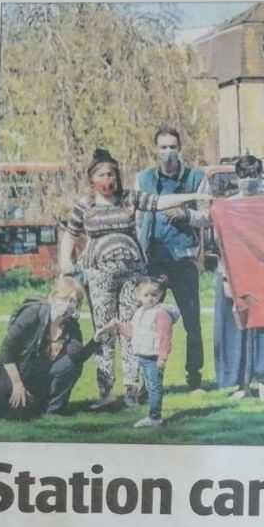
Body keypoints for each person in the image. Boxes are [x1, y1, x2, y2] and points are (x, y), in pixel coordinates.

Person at [58, 148, 208, 410]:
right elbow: (70, 234)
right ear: (92, 179)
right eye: (102, 174)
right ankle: (106, 391)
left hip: (132, 275)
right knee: (103, 331)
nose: (108, 179)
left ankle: (131, 389)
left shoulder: (128, 198)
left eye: (112, 174)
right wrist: (65, 262)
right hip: (99, 275)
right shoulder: (85, 206)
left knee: (131, 330)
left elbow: (160, 202)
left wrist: (194, 196)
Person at [136, 126, 210, 395]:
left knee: (192, 322)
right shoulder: (143, 179)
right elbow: (138, 219)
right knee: (146, 322)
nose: (168, 151)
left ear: (180, 148)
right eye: (163, 147)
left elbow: (208, 217)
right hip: (153, 262)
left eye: (173, 146)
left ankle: (195, 380)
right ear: (155, 149)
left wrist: (186, 215)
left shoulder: (196, 178)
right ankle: (148, 382)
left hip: (182, 260)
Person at [0, 277, 119, 420]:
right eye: (63, 299)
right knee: (18, 413)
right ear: (53, 297)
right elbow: (7, 349)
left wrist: (95, 340)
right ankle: (31, 402)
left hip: (40, 377)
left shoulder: (71, 325)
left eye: (73, 301)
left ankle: (53, 410)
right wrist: (17, 384)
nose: (67, 305)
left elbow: (76, 358)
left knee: (71, 365)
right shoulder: (34, 313)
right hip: (16, 373)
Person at [214, 155, 264, 400]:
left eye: (254, 174)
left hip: (263, 273)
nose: (249, 180)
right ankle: (241, 384)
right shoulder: (226, 206)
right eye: (244, 175)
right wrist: (226, 276)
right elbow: (220, 242)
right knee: (237, 328)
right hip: (233, 273)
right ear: (237, 177)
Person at [115, 277, 181, 429]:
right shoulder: (139, 312)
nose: (150, 298)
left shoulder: (161, 314)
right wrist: (120, 327)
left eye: (154, 295)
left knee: (154, 387)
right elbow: (133, 333)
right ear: (138, 295)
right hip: (143, 357)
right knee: (151, 387)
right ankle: (153, 415)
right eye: (146, 295)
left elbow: (165, 338)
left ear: (160, 295)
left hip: (154, 358)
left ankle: (155, 417)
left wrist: (162, 358)